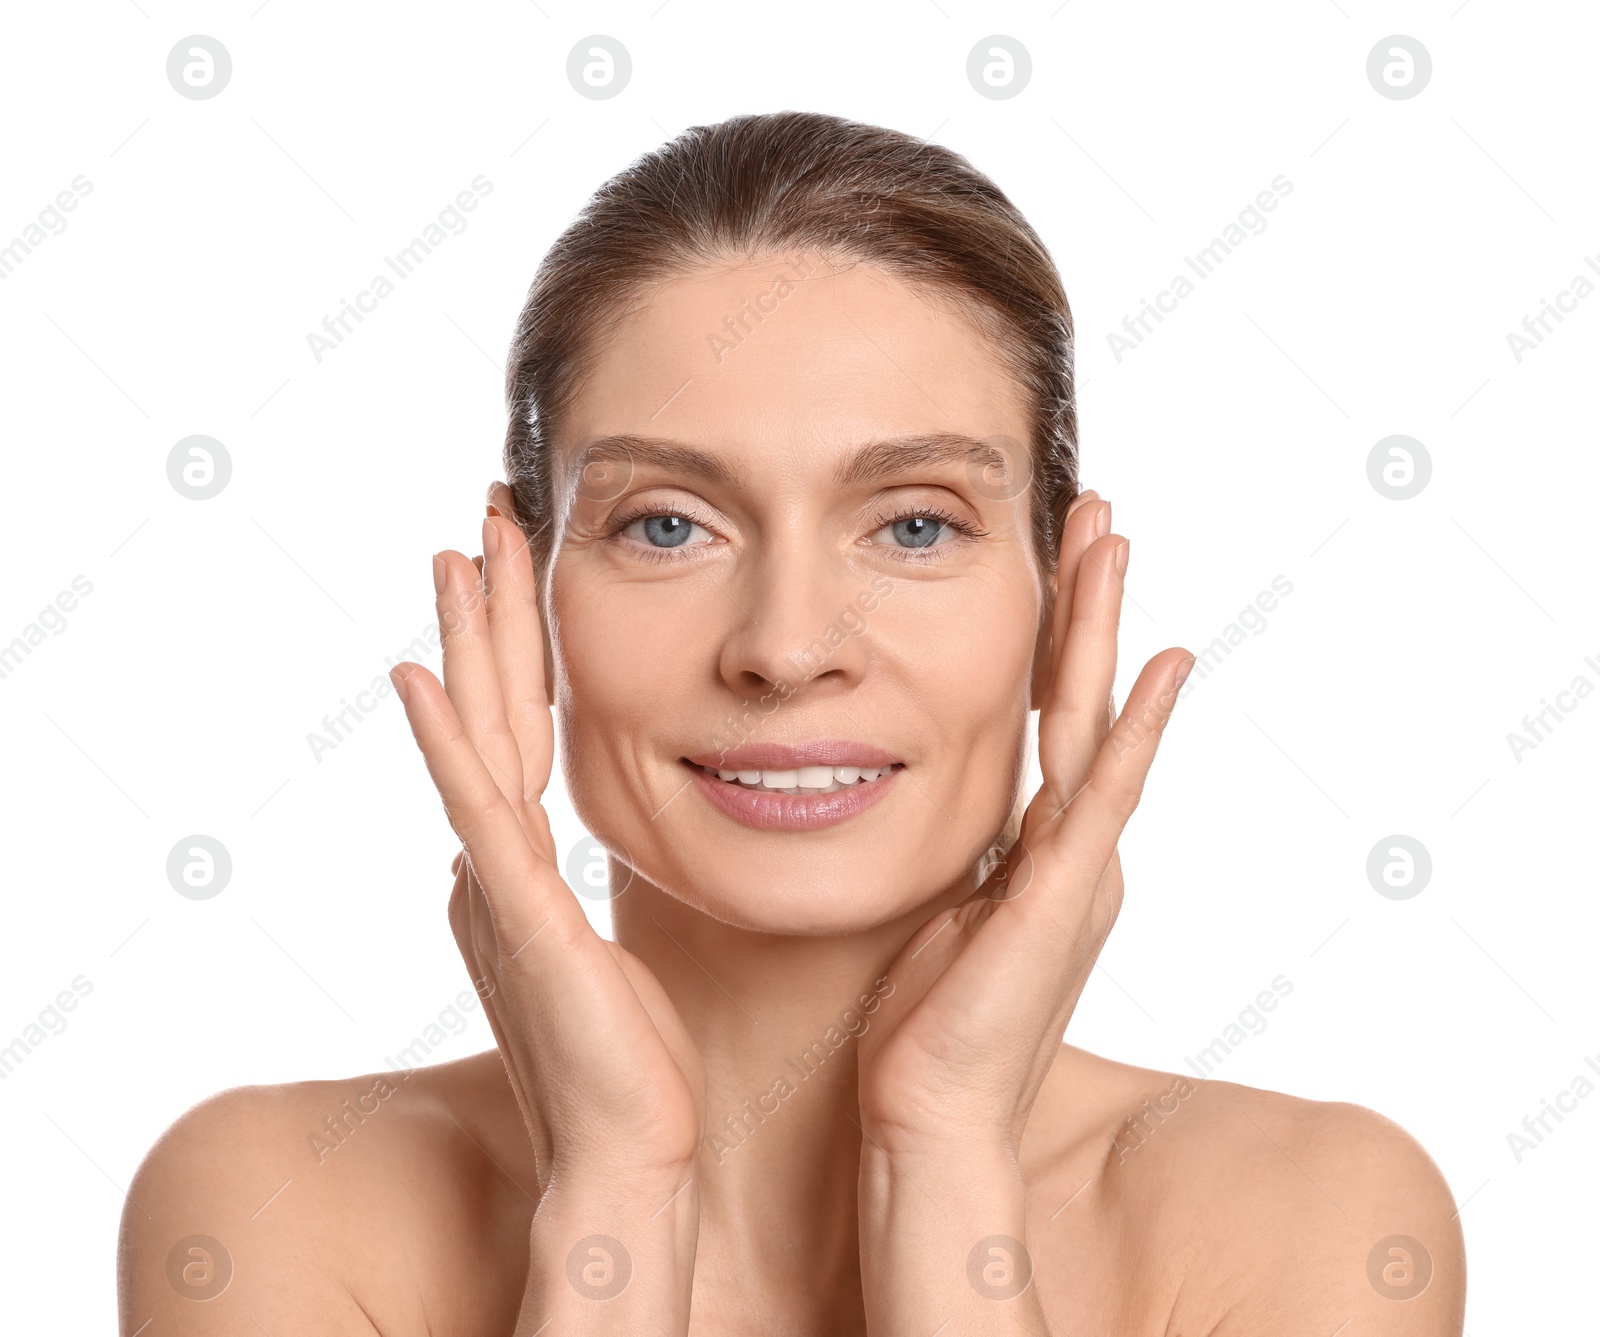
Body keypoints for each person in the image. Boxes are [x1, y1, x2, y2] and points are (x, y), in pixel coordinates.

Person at [119, 111, 1465, 1335]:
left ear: (1063, 609)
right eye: (668, 524)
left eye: (917, 523)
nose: (784, 646)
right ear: (522, 605)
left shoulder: (1313, 1223)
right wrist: (614, 1196)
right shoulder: (272, 1211)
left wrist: (941, 1160)